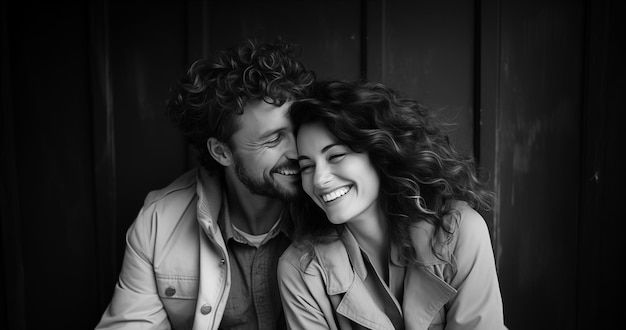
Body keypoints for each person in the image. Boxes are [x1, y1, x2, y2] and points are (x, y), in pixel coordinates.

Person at [96, 39, 315, 330]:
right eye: (273, 139)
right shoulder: (159, 223)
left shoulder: (331, 210)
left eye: (296, 131)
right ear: (222, 152)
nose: (296, 152)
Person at [278, 80, 507, 329]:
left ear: (379, 152)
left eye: (336, 156)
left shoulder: (459, 231)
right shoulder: (300, 269)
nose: (320, 179)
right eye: (307, 167)